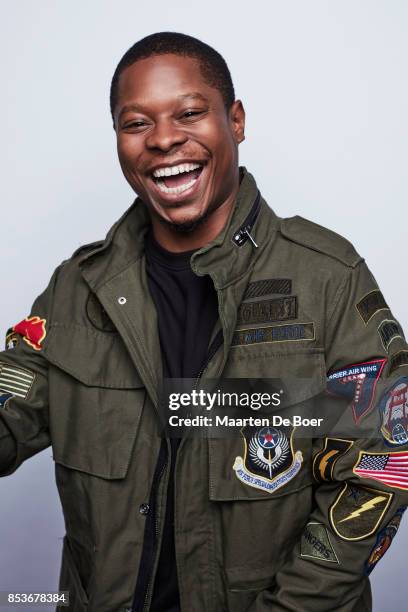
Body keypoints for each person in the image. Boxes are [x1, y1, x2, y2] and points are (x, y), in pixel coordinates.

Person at [1, 31, 407, 612]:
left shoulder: (327, 278)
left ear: (235, 121)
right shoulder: (77, 290)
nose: (164, 139)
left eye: (190, 113)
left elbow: (384, 464)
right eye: (136, 123)